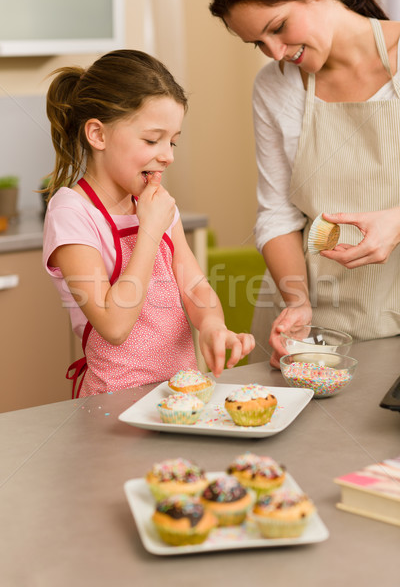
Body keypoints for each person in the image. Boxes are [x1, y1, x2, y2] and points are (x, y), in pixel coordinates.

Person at [43, 49, 255, 397]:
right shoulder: (72, 213)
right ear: (98, 135)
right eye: (152, 139)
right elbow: (114, 325)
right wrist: (150, 230)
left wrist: (214, 326)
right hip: (114, 405)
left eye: (172, 141)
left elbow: (195, 287)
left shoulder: (156, 204)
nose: (168, 155)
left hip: (180, 395)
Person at [210, 0, 400, 367]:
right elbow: (277, 214)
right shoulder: (274, 86)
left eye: (278, 27)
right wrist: (298, 303)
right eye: (258, 44)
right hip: (306, 331)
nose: (277, 52)